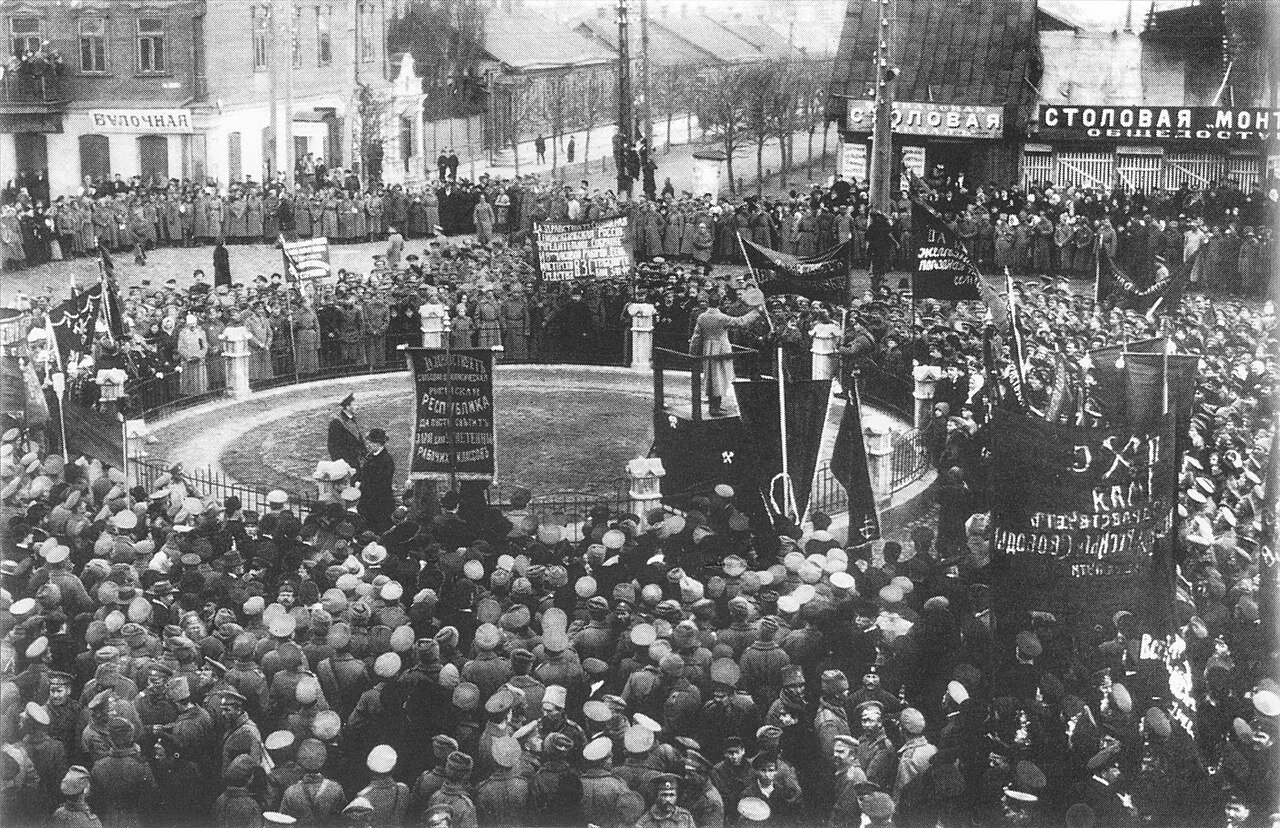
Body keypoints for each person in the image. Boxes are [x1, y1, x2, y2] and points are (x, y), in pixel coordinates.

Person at [688, 296, 763, 416]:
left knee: (711, 378)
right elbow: (740, 321)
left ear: (708, 303)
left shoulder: (702, 317)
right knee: (720, 378)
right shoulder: (721, 317)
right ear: (719, 304)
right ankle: (714, 408)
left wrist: (692, 353)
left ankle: (715, 406)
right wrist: (755, 312)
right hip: (721, 350)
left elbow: (696, 337)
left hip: (707, 349)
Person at [355, 428, 395, 535]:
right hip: (368, 501)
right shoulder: (372, 456)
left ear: (378, 443)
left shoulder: (386, 460)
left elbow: (379, 484)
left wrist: (361, 485)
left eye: (371, 442)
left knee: (378, 530)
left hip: (379, 503)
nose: (368, 445)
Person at [327, 393, 365, 470]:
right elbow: (333, 448)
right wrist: (342, 466)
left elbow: (358, 439)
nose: (358, 407)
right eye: (355, 405)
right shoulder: (336, 422)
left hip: (357, 460)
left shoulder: (352, 418)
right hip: (347, 464)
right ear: (347, 407)